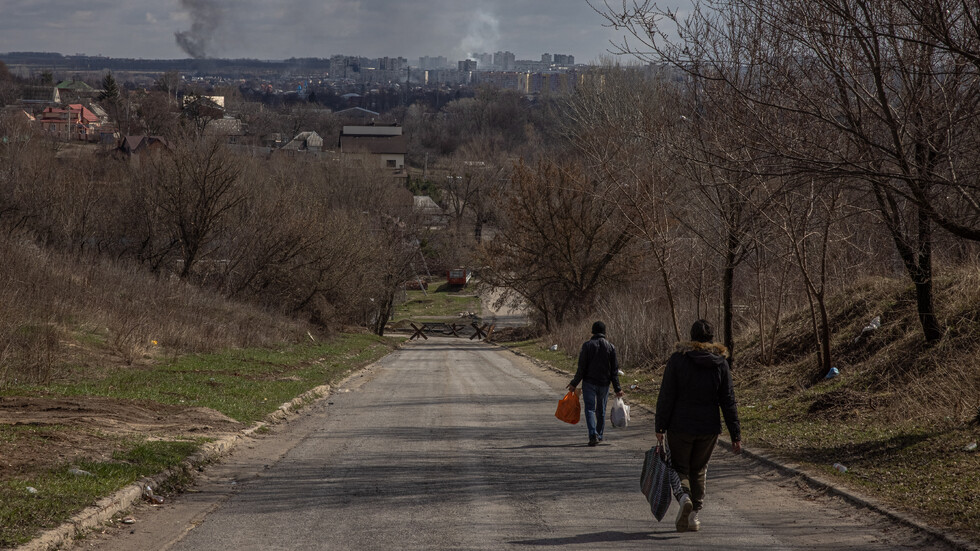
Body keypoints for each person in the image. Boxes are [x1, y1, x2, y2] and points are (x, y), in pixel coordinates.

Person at [655, 319, 742, 533]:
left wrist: (660, 427)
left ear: (691, 337)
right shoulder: (720, 363)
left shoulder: (678, 360)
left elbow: (666, 395)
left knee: (681, 467)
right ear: (712, 339)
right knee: (699, 469)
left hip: (680, 425)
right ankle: (694, 517)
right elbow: (728, 400)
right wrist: (735, 434)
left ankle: (684, 497)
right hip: (708, 427)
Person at [567, 321, 623, 447]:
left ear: (592, 331)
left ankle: (593, 434)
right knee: (601, 410)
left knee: (590, 409)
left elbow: (581, 368)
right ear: (604, 332)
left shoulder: (587, 346)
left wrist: (574, 384)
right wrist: (617, 388)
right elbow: (614, 371)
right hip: (604, 384)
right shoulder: (610, 347)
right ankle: (600, 434)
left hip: (589, 383)